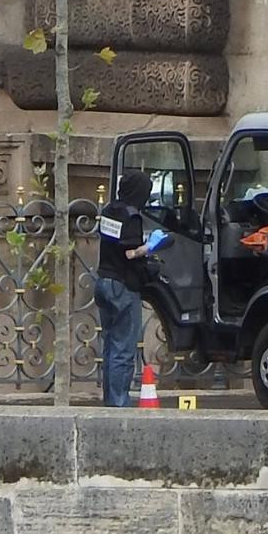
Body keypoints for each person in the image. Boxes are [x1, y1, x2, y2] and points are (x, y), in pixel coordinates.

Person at [94, 165, 153, 406]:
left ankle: (111, 400)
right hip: (122, 286)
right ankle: (119, 404)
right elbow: (130, 253)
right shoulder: (132, 216)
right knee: (123, 348)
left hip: (104, 282)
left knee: (110, 346)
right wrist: (149, 249)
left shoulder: (109, 210)